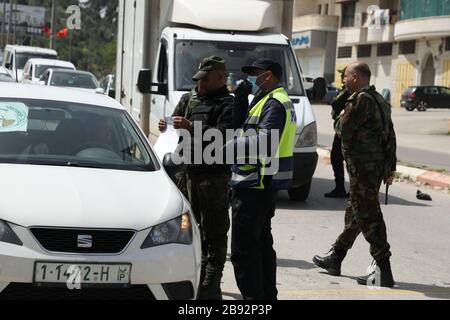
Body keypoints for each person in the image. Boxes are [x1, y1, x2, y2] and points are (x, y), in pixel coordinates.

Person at [313, 62, 397, 288]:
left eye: (346, 77)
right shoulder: (379, 99)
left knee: (368, 214)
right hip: (374, 167)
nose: (343, 81)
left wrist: (340, 115)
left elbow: (343, 130)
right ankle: (336, 256)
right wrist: (390, 167)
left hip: (362, 167)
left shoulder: (359, 100)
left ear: (357, 78)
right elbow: (390, 134)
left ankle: (383, 267)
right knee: (355, 213)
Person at [159, 56, 233, 300]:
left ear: (220, 78)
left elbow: (224, 136)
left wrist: (191, 127)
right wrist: (166, 125)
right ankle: (200, 280)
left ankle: (210, 288)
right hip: (188, 175)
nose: (200, 85)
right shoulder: (190, 99)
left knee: (215, 235)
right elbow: (173, 124)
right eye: (198, 80)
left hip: (213, 179)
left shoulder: (227, 104)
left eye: (205, 80)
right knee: (193, 233)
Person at [230, 58, 297, 299]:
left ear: (268, 75)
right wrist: (239, 102)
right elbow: (243, 128)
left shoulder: (274, 103)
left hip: (255, 184)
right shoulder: (268, 100)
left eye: (255, 74)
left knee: (244, 251)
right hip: (262, 183)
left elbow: (265, 142)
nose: (251, 78)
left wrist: (226, 147)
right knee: (261, 247)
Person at [324, 67, 350, 198]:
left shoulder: (349, 90)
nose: (342, 78)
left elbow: (335, 104)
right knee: (336, 158)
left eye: (344, 75)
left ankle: (348, 189)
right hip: (341, 131)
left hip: (348, 133)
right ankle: (340, 188)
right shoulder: (346, 90)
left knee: (347, 161)